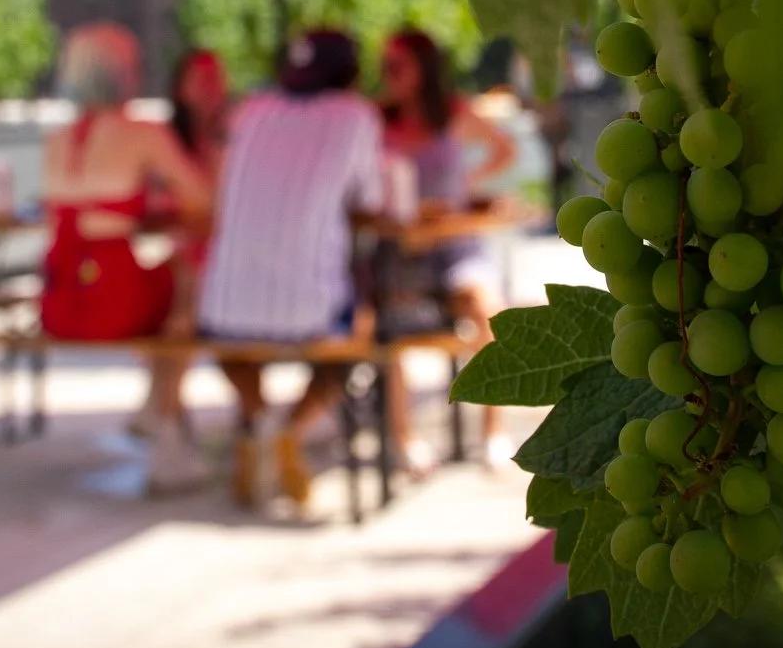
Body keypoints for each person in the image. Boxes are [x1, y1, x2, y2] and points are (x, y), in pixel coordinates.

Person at [198, 30, 385, 508]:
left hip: (224, 305)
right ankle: (291, 433)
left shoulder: (251, 110)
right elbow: (372, 201)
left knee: (229, 339)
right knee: (359, 337)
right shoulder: (355, 117)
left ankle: (259, 420)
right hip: (310, 306)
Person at [39, 23, 212, 491]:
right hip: (111, 297)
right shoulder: (142, 133)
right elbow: (203, 197)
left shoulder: (56, 141)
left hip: (60, 300)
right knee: (187, 294)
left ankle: (158, 414)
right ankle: (167, 427)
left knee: (173, 291)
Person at [377, 29, 519, 473]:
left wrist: (467, 184)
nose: (389, 76)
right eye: (386, 67)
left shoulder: (453, 111)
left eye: (397, 65)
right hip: (403, 252)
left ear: (423, 67)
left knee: (489, 311)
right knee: (388, 328)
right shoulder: (379, 120)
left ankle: (494, 431)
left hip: (456, 247)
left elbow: (503, 148)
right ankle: (405, 439)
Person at [128, 49, 230, 447]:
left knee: (181, 309)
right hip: (186, 253)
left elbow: (217, 206)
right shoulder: (166, 138)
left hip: (224, 259)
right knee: (171, 303)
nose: (210, 88)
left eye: (215, 77)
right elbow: (157, 205)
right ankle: (166, 413)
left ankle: (162, 411)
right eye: (199, 78)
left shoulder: (234, 133)